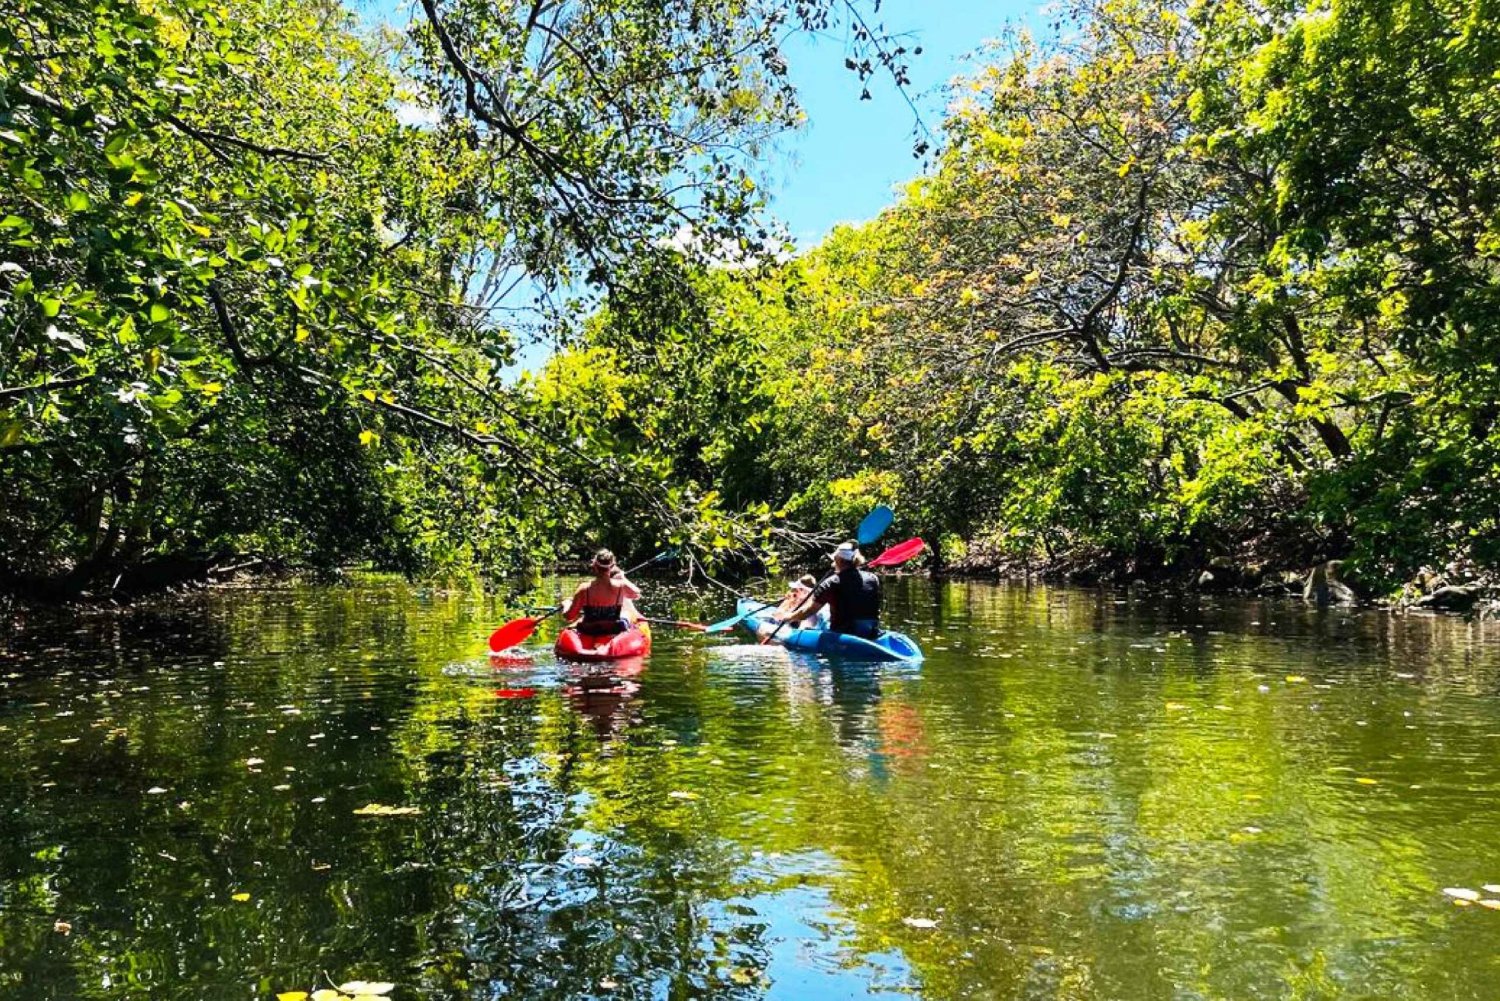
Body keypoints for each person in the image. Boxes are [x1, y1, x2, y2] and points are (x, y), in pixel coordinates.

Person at [774, 541, 881, 638]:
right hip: (870, 631)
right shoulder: (873, 578)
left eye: (834, 558)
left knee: (819, 618)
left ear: (838, 560)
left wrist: (790, 617)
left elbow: (809, 610)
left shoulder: (831, 583)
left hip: (843, 633)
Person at [562, 549, 642, 636]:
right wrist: (623, 578)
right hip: (613, 629)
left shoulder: (584, 588)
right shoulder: (620, 586)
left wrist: (566, 604)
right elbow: (637, 594)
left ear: (594, 566)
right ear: (612, 567)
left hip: (589, 630)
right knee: (626, 613)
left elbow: (569, 616)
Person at [761, 574, 828, 636]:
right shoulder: (797, 601)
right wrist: (787, 602)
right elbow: (775, 615)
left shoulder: (811, 606)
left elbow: (781, 617)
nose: (793, 591)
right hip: (797, 630)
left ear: (804, 591)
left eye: (796, 589)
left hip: (804, 633)